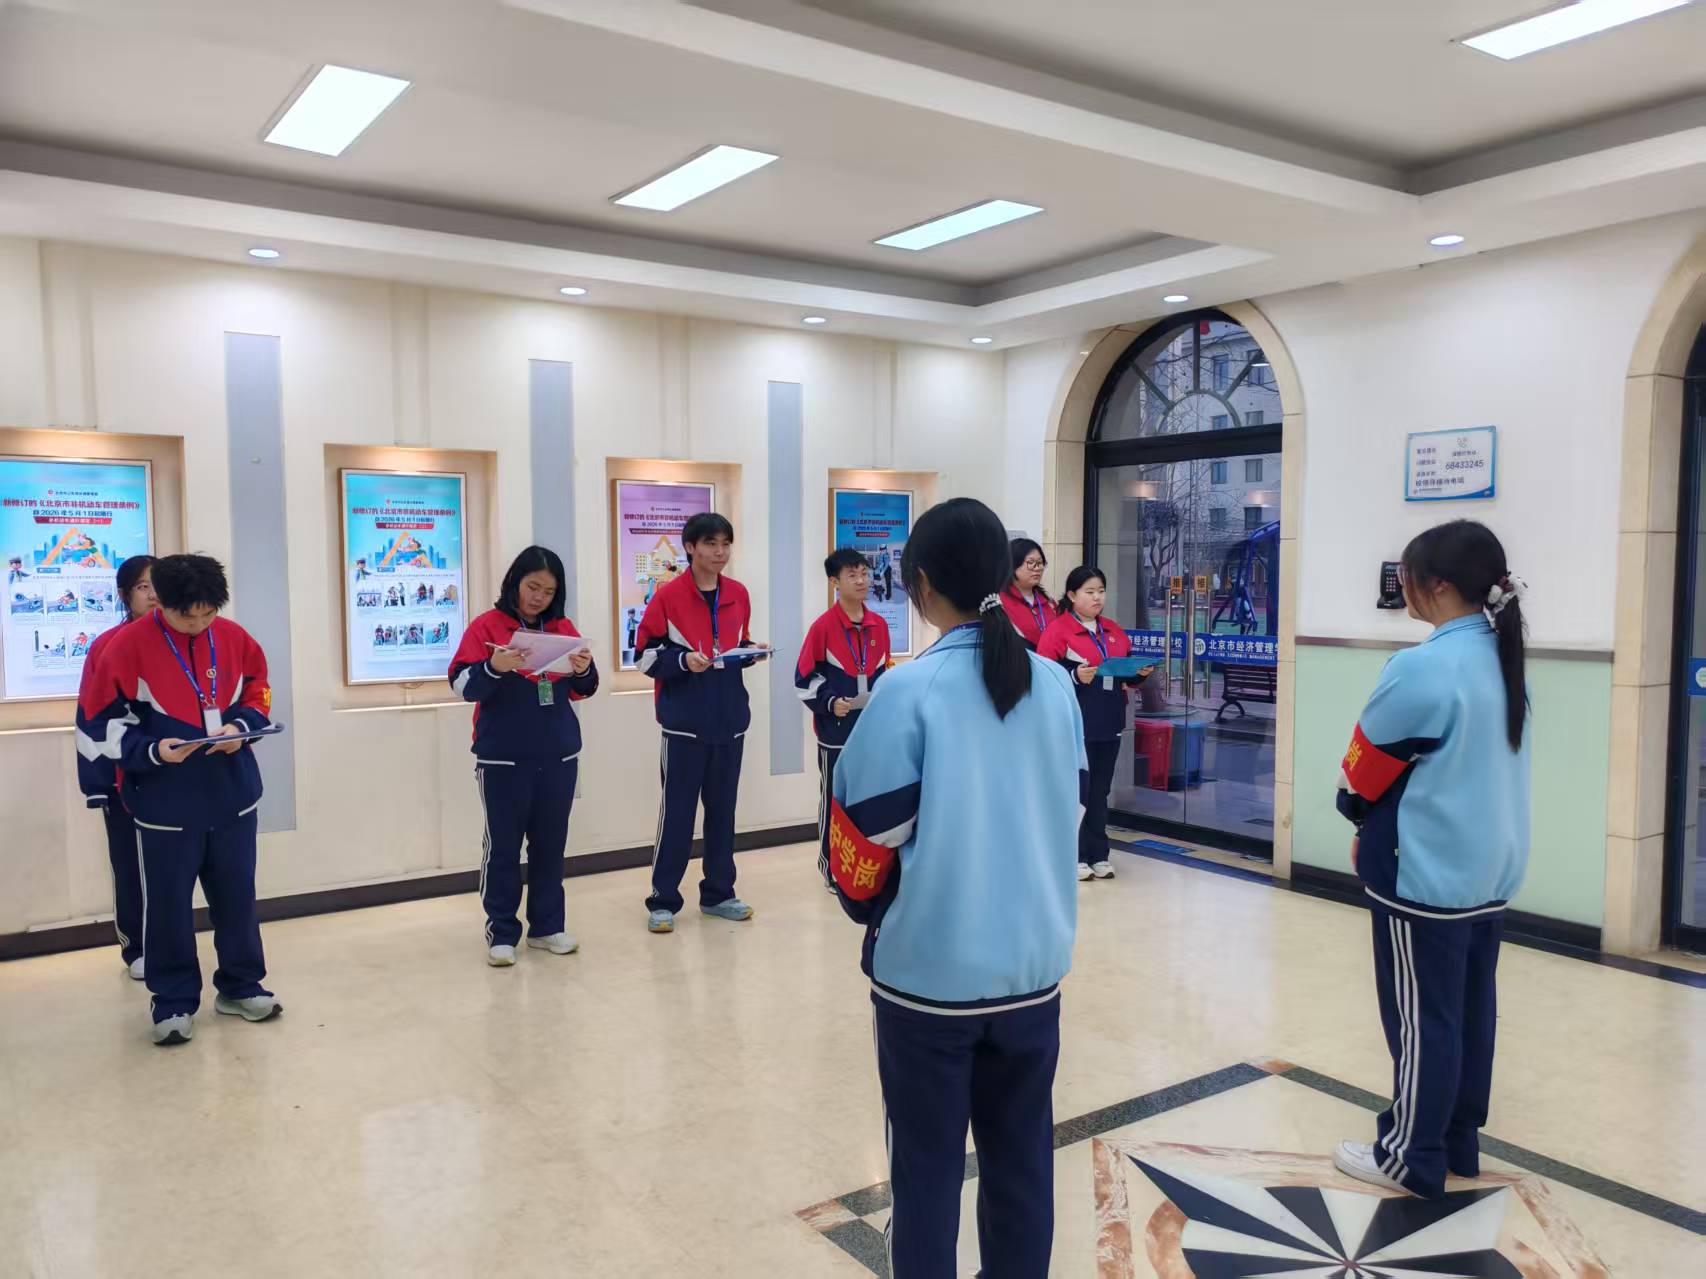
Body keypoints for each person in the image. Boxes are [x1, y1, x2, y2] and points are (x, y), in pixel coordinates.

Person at [830, 498, 1084, 1278]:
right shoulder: (1054, 683)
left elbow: (862, 841)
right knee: (1022, 1166)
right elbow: (1071, 812)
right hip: (1033, 975)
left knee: (927, 1175)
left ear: (922, 584)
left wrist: (874, 910)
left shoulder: (910, 690)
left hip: (929, 985)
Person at [1333, 520, 1531, 1200]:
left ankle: (1410, 1155)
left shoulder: (1425, 665)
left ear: (1438, 586)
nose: (1405, 589)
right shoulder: (1503, 656)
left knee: (1423, 1018)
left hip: (1426, 870)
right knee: (1470, 1011)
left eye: (1409, 578)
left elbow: (1366, 765)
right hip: (1489, 869)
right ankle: (1456, 1142)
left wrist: (1357, 816)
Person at [76, 553, 280, 1046]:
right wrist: (151, 751)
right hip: (164, 802)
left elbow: (259, 691)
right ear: (160, 602)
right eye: (188, 616)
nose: (199, 623)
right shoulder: (123, 648)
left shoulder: (233, 638)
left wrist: (242, 727)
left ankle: (241, 986)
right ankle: (172, 1002)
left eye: (208, 613)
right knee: (166, 907)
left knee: (237, 898)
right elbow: (99, 726)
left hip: (232, 796)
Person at [449, 546, 598, 966]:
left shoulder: (562, 628)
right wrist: (494, 667)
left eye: (548, 592)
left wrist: (583, 668)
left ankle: (547, 927)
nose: (538, 598)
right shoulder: (487, 626)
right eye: (532, 587)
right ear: (515, 582)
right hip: (503, 758)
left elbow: (585, 688)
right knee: (503, 848)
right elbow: (461, 686)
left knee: (550, 846)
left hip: (558, 755)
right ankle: (501, 932)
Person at [635, 512, 768, 934]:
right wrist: (683, 661)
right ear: (690, 547)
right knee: (677, 816)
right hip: (684, 727)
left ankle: (718, 894)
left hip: (730, 722)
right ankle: (663, 901)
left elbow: (734, 645)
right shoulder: (668, 597)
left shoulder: (739, 594)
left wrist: (751, 651)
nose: (720, 552)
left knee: (723, 814)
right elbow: (644, 657)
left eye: (726, 543)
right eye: (711, 543)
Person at [73, 554, 157, 980]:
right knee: (129, 865)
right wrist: (98, 784)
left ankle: (169, 943)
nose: (153, 594)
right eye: (143, 587)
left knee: (170, 867)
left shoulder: (181, 641)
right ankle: (136, 947)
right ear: (125, 595)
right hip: (124, 778)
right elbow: (90, 716)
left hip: (173, 776)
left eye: (158, 585)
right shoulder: (106, 645)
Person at [1038, 566, 1149, 882]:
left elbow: (1125, 674)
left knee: (1100, 791)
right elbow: (1043, 678)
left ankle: (1099, 854)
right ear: (1072, 595)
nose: (1097, 597)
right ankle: (1074, 855)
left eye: (1101, 591)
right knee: (1076, 791)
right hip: (1074, 725)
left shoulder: (1113, 630)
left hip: (1109, 722)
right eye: (1089, 592)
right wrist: (1074, 675)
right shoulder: (1058, 632)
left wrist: (1138, 675)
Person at [795, 548, 891, 889]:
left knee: (869, 798)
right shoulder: (823, 627)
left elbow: (883, 672)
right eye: (852, 575)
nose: (862, 580)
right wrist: (830, 702)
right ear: (834, 582)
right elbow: (803, 680)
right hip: (836, 734)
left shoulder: (879, 625)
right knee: (834, 800)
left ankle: (865, 867)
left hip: (871, 732)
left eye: (865, 573)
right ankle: (832, 868)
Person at [1000, 537, 1057, 649]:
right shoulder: (1000, 603)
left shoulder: (1050, 603)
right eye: (1031, 563)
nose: (1038, 568)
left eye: (1040, 563)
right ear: (1013, 565)